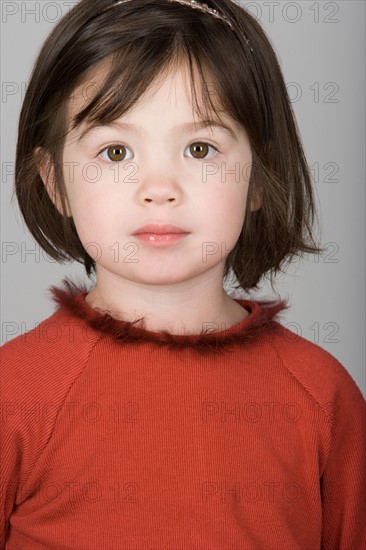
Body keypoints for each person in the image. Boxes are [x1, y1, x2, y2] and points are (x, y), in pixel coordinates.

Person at [1, 0, 365, 548]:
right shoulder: (17, 391)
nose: (160, 187)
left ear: (260, 177)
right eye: (115, 150)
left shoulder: (322, 395)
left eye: (200, 148)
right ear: (55, 182)